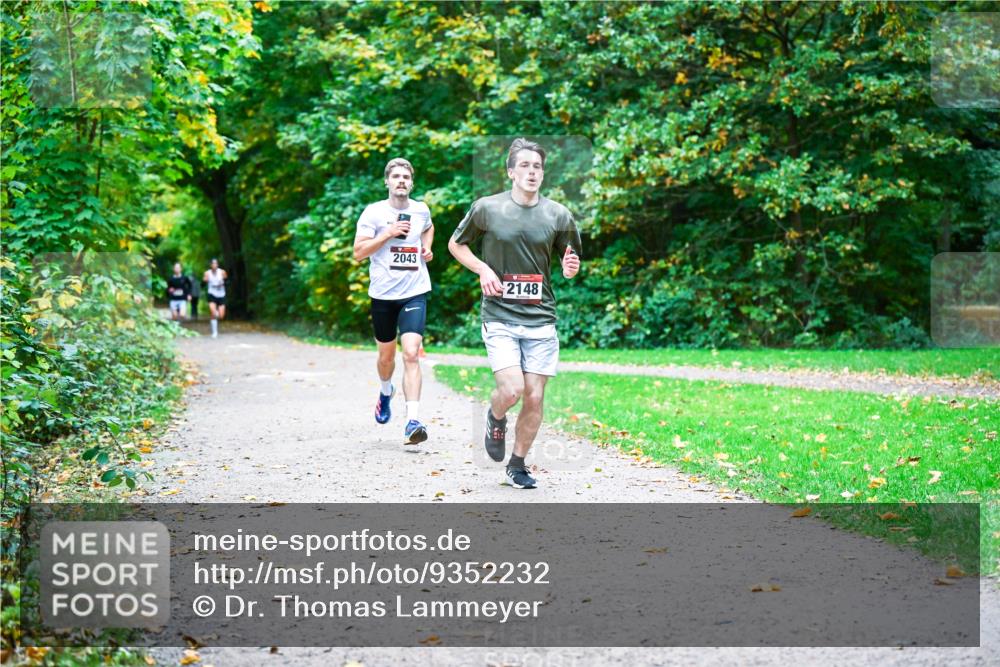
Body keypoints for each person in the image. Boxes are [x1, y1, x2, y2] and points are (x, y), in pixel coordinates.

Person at [448, 138, 582, 489]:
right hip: (500, 315)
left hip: (541, 317)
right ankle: (496, 416)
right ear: (511, 172)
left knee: (535, 396)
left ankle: (517, 465)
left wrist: (570, 268)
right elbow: (455, 244)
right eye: (524, 165)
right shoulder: (487, 209)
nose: (531, 172)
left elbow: (570, 264)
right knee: (512, 390)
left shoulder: (559, 214)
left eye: (537, 166)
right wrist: (483, 270)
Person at [353, 157, 435, 444]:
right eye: (396, 176)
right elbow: (358, 252)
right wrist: (387, 233)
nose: (401, 181)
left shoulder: (420, 209)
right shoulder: (373, 213)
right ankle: (386, 390)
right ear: (387, 181)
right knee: (386, 357)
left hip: (414, 291)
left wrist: (426, 248)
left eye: (406, 177)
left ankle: (413, 420)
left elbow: (428, 227)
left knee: (411, 353)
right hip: (383, 296)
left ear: (411, 183)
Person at [203, 258, 227, 338]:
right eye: (213, 264)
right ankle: (214, 332)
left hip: (221, 294)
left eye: (216, 264)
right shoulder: (207, 273)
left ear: (217, 265)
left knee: (221, 316)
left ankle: (217, 313)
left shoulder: (222, 272)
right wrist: (204, 280)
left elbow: (228, 281)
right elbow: (202, 284)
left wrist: (223, 283)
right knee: (213, 313)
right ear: (211, 265)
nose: (214, 265)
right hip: (212, 294)